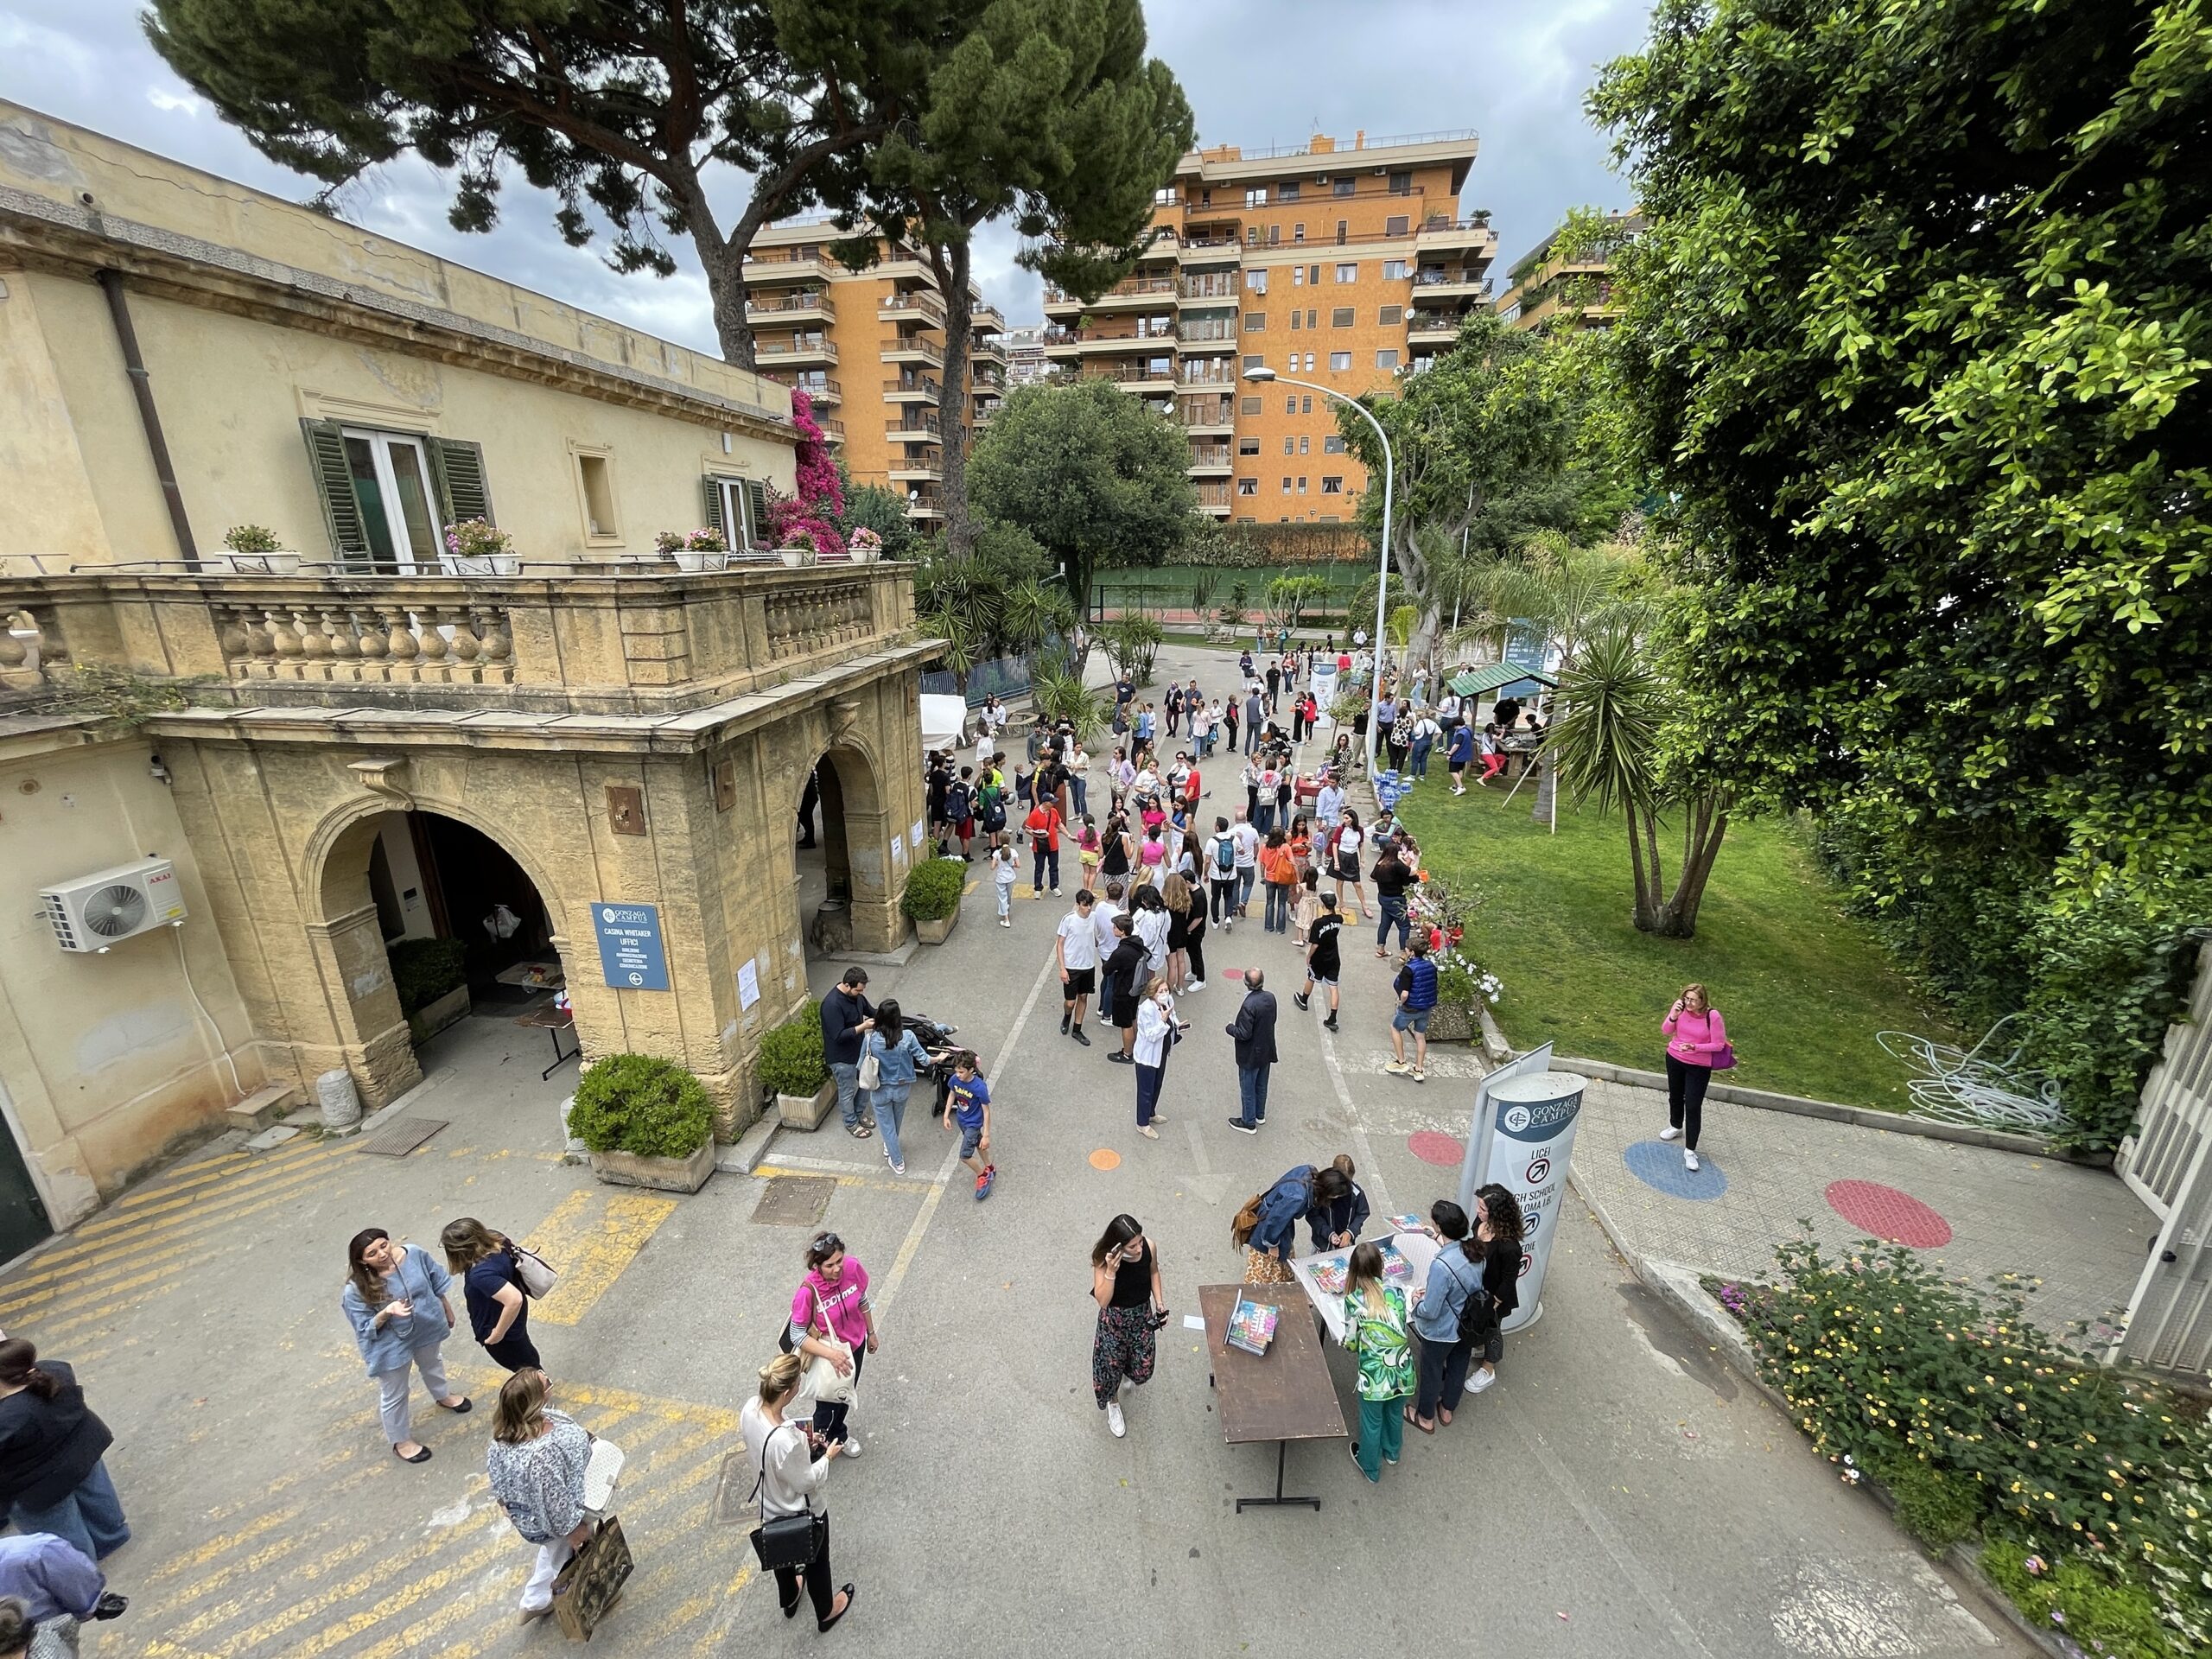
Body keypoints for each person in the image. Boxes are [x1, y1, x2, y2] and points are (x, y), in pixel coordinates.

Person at [741, 1353, 855, 1632]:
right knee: (817, 1561)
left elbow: (775, 1438)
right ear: (787, 1391)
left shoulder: (751, 1409)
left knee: (782, 1555)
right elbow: (806, 1481)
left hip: (770, 1505)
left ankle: (790, 1596)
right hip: (801, 1509)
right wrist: (827, 1456)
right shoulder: (787, 1441)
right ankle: (826, 1612)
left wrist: (802, 1438)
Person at [340, 1230, 468, 1465]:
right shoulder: (355, 1290)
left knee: (432, 1363)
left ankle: (443, 1395)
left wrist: (446, 1308)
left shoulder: (415, 1254)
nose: (382, 1254)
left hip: (426, 1326)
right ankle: (401, 1442)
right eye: (372, 1253)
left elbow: (435, 1282)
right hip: (389, 1343)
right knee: (395, 1392)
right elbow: (364, 1329)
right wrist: (387, 1312)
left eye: (384, 1245)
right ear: (362, 1261)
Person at [486, 1368, 594, 1627]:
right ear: (536, 1399)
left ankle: (534, 1602)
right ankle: (575, 1604)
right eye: (547, 1384)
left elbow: (499, 1484)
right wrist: (576, 1532)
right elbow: (555, 1504)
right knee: (565, 1563)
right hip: (558, 1520)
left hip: (534, 1519)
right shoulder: (539, 1457)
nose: (550, 1385)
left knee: (553, 1552)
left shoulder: (503, 1438)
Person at [0, 1344, 127, 1564]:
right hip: (83, 1451)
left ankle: (81, 1569)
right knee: (98, 1499)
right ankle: (112, 1538)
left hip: (36, 1486)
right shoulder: (54, 1372)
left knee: (63, 1536)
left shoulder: (10, 1418)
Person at [791, 1230, 878, 1451]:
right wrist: (832, 1355)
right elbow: (797, 1334)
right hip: (829, 1353)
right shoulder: (808, 1292)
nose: (837, 1269)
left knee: (845, 1394)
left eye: (839, 1261)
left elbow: (862, 1299)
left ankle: (838, 1434)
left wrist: (871, 1332)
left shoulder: (853, 1268)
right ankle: (817, 1445)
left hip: (855, 1347)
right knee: (826, 1404)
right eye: (830, 1265)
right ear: (816, 1266)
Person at [1342, 1242, 1414, 1484]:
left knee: (1371, 1423)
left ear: (1353, 1270)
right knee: (1395, 1414)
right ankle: (1392, 1452)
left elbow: (1351, 1344)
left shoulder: (1353, 1302)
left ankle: (1370, 1467)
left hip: (1374, 1378)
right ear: (1380, 1266)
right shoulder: (1397, 1293)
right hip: (1403, 1371)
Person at [1406, 1200, 1480, 1434]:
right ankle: (1448, 1408)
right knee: (1458, 1365)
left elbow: (1431, 1310)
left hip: (1443, 1330)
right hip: (1468, 1324)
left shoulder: (1442, 1265)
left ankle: (1426, 1416)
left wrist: (1417, 1302)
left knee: (1432, 1369)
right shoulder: (1475, 1249)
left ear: (1438, 1227)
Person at [1089, 1216, 1165, 1440]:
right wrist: (1111, 1272)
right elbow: (1103, 1301)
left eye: (1140, 1241)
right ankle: (1113, 1404)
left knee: (1143, 1368)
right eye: (1133, 1246)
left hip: (1142, 1317)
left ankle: (1126, 1372)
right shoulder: (1103, 1260)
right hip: (1114, 1323)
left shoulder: (1149, 1247)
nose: (1139, 1248)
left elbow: (1154, 1273)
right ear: (1118, 1246)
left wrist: (1160, 1303)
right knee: (1111, 1371)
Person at [441, 1217, 542, 1373]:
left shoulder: (480, 1274)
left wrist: (497, 1334)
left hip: (503, 1331)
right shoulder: (497, 1240)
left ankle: (539, 1391)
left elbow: (514, 1300)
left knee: (526, 1369)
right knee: (528, 1357)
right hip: (514, 1323)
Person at [0, 1530, 123, 1652]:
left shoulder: (33, 1552)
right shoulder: (37, 1550)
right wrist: (90, 1604)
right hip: (42, 1635)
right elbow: (74, 1579)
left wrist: (90, 1603)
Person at [1234, 1164, 1349, 1283]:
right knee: (1266, 1276)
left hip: (1276, 1228)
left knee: (1280, 1270)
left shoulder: (1308, 1171)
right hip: (1270, 1234)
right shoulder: (1297, 1198)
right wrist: (1272, 1245)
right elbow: (1275, 1220)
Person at [861, 1001, 937, 1176]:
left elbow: (861, 1064)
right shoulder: (908, 1036)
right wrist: (939, 1058)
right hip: (902, 1087)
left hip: (880, 1089)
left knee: (887, 1126)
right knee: (896, 1121)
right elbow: (924, 1060)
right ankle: (891, 1148)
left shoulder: (870, 1039)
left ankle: (897, 1160)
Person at [1465, 1185, 1527, 1397]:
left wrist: (1493, 1305)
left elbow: (1509, 1280)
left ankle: (1488, 1368)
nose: (1477, 1212)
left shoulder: (1509, 1247)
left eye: (1482, 1208)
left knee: (1492, 1330)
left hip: (1494, 1298)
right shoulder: (1481, 1223)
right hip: (1477, 1289)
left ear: (1497, 1213)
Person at [1662, 983, 1728, 1173]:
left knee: (1692, 1105)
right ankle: (1675, 1125)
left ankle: (1690, 1150)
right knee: (1675, 1096)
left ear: (1702, 1001)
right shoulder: (1679, 1008)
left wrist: (1695, 1047)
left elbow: (1719, 1045)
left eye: (1693, 1000)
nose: (1689, 1003)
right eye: (1687, 999)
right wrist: (1673, 1015)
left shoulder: (1712, 1016)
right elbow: (1666, 1030)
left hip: (1698, 1066)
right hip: (1675, 1058)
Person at [819, 968, 876, 1141]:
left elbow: (871, 1010)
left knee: (867, 1083)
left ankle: (858, 1114)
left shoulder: (857, 996)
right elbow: (838, 1036)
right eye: (858, 990)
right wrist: (863, 1027)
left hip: (858, 1050)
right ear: (846, 985)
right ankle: (851, 1122)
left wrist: (887, 1015)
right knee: (847, 1091)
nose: (861, 993)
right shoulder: (831, 1005)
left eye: (862, 990)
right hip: (841, 1058)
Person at [1224, 967, 1277, 1135]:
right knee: (1261, 1085)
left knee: (1248, 1088)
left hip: (1250, 1054)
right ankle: (1259, 1114)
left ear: (1246, 983)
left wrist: (1230, 1028)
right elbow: (1273, 1019)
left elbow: (1244, 1033)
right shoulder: (1270, 998)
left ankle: (1248, 1122)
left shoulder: (1249, 1004)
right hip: (1266, 1049)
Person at [1386, 936, 1440, 1083]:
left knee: (1395, 1028)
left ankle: (1401, 1062)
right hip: (1426, 1007)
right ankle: (1419, 1069)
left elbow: (1404, 993)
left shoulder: (1408, 970)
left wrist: (1400, 1002)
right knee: (1420, 1036)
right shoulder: (1430, 965)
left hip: (1410, 1007)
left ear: (1411, 952)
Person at [1131, 975, 1179, 1140]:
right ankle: (1142, 1124)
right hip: (1147, 1057)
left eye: (1166, 990)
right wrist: (1163, 1020)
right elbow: (1151, 1035)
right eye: (1160, 991)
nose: (1164, 993)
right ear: (1153, 993)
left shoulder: (1168, 1002)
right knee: (1146, 1090)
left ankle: (1151, 1113)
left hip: (1162, 1053)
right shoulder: (1146, 1009)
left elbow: (1174, 1018)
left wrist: (1178, 1025)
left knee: (1157, 1085)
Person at [943, 1054, 995, 1199]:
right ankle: (989, 1167)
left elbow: (986, 1111)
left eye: (961, 1072)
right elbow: (952, 1094)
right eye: (956, 1071)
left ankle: (983, 1176)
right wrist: (946, 1115)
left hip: (973, 1124)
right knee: (979, 1144)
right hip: (962, 1120)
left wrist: (986, 1135)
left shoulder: (979, 1087)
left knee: (965, 1156)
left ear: (971, 1070)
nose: (958, 1075)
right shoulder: (955, 1080)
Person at [1293, 893, 1344, 1031]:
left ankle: (1304, 1000)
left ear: (1323, 905)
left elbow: (1315, 944)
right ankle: (1332, 1017)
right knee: (1333, 987)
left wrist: (1309, 956)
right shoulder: (1339, 919)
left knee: (1312, 977)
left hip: (1320, 958)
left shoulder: (1318, 923)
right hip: (1333, 957)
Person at [1056, 889, 1100, 1048]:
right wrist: (1062, 968)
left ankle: (1077, 1029)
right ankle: (1067, 1016)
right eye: (1084, 905)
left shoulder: (1094, 917)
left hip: (1088, 966)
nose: (1088, 908)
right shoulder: (1068, 920)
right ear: (1078, 904)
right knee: (1070, 1002)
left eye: (1090, 905)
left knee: (1083, 997)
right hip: (1072, 967)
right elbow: (1060, 944)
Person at [1103, 913, 1148, 1065]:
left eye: (1115, 927)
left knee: (1125, 1024)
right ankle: (1135, 1047)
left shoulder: (1121, 952)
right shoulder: (1137, 944)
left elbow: (1106, 970)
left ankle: (1127, 1054)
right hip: (1135, 989)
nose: (1113, 928)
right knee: (1132, 1017)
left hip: (1123, 990)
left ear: (1122, 931)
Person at [1306, 1152, 1370, 1249]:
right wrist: (1328, 1233)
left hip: (1346, 1244)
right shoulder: (1322, 1192)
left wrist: (1350, 1232)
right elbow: (1312, 1216)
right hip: (1322, 1244)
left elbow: (1363, 1213)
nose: (1346, 1188)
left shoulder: (1357, 1194)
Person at [1370, 839, 1415, 958]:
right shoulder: (1396, 865)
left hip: (1383, 898)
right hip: (1396, 900)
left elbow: (1372, 877)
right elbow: (1411, 872)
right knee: (1404, 926)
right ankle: (1404, 954)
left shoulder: (1380, 863)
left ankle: (1380, 949)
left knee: (1385, 924)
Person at [1330, 809, 1370, 920]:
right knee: (1340, 881)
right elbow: (1335, 845)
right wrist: (1336, 862)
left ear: (1353, 819)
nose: (1345, 820)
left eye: (1347, 818)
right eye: (1344, 818)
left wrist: (1362, 859)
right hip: (1342, 856)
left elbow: (1361, 845)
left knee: (1357, 884)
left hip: (1353, 857)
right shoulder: (1340, 829)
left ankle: (1364, 905)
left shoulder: (1360, 830)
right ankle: (1342, 903)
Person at [1023, 795, 1064, 899]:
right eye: (1052, 802)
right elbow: (1028, 829)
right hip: (1040, 846)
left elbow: (1059, 824)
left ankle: (1054, 886)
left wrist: (1068, 835)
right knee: (1039, 867)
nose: (1054, 803)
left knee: (1054, 866)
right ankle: (1038, 888)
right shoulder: (1035, 814)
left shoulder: (1053, 811)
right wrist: (1037, 835)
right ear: (1045, 803)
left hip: (1053, 845)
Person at [1160, 872, 1195, 994]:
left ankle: (1169, 989)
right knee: (1181, 960)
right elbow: (1185, 917)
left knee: (1172, 964)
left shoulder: (1165, 904)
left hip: (1170, 934)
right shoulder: (1186, 900)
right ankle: (1180, 987)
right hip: (1182, 932)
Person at [1258, 830, 1297, 935]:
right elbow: (1293, 863)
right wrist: (1296, 878)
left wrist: (1262, 876)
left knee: (1270, 903)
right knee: (1282, 903)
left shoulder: (1264, 847)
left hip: (1269, 878)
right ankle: (1280, 929)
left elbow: (1262, 864)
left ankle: (1268, 926)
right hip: (1283, 878)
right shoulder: (1285, 847)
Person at [1204, 816, 1239, 929]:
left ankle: (1215, 921)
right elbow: (1242, 851)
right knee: (1228, 896)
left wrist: (1205, 874)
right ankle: (1228, 917)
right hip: (1231, 874)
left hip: (1216, 875)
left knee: (1215, 897)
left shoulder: (1212, 841)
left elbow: (1208, 861)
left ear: (1218, 828)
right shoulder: (1234, 839)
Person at [1230, 810, 1261, 920]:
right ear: (1246, 818)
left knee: (1235, 886)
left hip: (1235, 864)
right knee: (1248, 884)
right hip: (1248, 863)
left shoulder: (1231, 832)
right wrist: (1255, 857)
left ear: (1235, 819)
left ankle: (1233, 908)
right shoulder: (1253, 831)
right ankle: (1243, 903)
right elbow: (1256, 846)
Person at [989, 841, 1019, 927]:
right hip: (1010, 877)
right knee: (1008, 896)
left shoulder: (997, 853)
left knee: (1002, 897)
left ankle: (1006, 919)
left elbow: (992, 867)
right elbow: (1018, 865)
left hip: (1001, 878)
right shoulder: (1013, 851)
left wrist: (998, 863)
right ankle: (1007, 910)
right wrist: (1012, 864)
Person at [1292, 865, 1322, 947]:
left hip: (1304, 904)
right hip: (1313, 904)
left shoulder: (1303, 886)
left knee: (1301, 920)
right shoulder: (1317, 884)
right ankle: (1308, 938)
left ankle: (1300, 939)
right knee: (1311, 920)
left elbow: (1299, 893)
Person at [1408, 709, 1441, 779]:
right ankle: (1422, 776)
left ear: (1425, 714)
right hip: (1429, 743)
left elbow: (1417, 732)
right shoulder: (1434, 724)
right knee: (1424, 760)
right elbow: (1439, 733)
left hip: (1420, 743)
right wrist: (1433, 741)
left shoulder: (1421, 722)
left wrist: (1413, 728)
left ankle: (1412, 775)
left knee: (1415, 759)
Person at [1446, 718, 1474, 796]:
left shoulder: (1460, 734)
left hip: (1458, 755)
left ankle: (1461, 787)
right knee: (1459, 770)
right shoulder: (1468, 730)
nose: (1454, 728)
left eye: (1454, 726)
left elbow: (1456, 745)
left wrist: (1450, 753)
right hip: (1465, 755)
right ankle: (1455, 786)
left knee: (1453, 771)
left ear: (1457, 725)